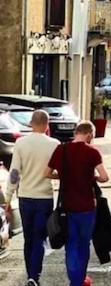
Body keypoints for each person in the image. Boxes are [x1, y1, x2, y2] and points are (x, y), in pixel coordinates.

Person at [45, 121, 109, 286]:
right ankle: (79, 280)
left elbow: (46, 173)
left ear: (76, 132)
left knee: (71, 244)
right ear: (89, 134)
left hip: (67, 206)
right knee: (84, 244)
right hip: (87, 206)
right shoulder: (92, 152)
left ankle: (75, 280)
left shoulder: (61, 150)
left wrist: (63, 176)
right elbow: (104, 177)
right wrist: (92, 177)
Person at [4, 109, 59, 286]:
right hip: (44, 197)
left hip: (25, 197)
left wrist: (8, 197)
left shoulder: (21, 143)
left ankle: (31, 274)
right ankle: (34, 276)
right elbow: (58, 171)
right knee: (39, 238)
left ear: (31, 123)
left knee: (28, 238)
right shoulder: (55, 144)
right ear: (47, 124)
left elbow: (14, 172)